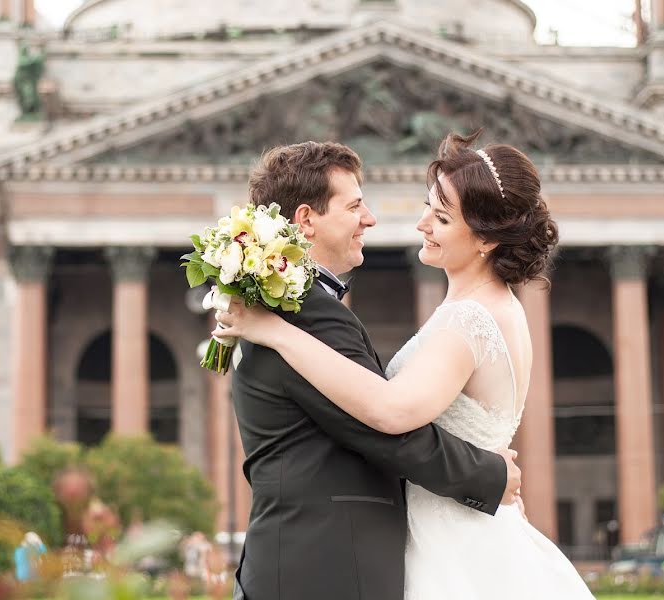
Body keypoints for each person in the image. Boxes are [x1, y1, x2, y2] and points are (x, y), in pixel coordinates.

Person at [215, 132, 594, 599]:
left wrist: (272, 330)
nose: (413, 224)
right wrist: (488, 474)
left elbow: (388, 414)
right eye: (356, 206)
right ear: (306, 220)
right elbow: (382, 425)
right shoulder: (300, 312)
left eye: (440, 216)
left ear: (485, 239)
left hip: (429, 544)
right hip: (329, 561)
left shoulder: (469, 317)